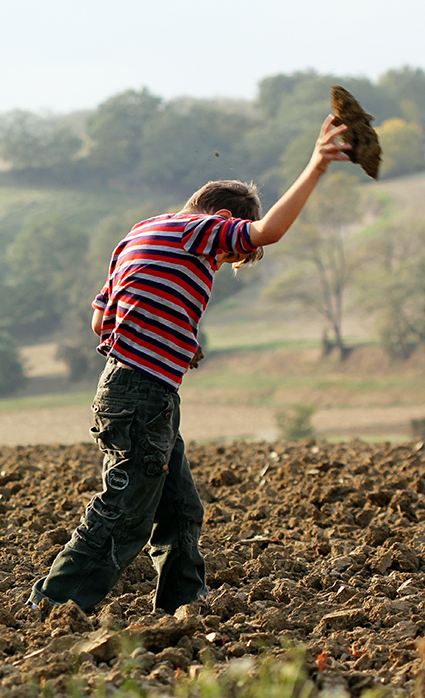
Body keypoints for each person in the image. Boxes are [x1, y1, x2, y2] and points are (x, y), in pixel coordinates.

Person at [30, 114, 354, 615]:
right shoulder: (202, 230)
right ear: (223, 219)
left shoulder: (142, 231)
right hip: (142, 391)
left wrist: (171, 329)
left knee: (180, 507)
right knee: (125, 511)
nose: (220, 262)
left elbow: (101, 320)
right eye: (226, 257)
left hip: (133, 388)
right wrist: (316, 165)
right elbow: (268, 231)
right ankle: (54, 605)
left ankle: (185, 604)